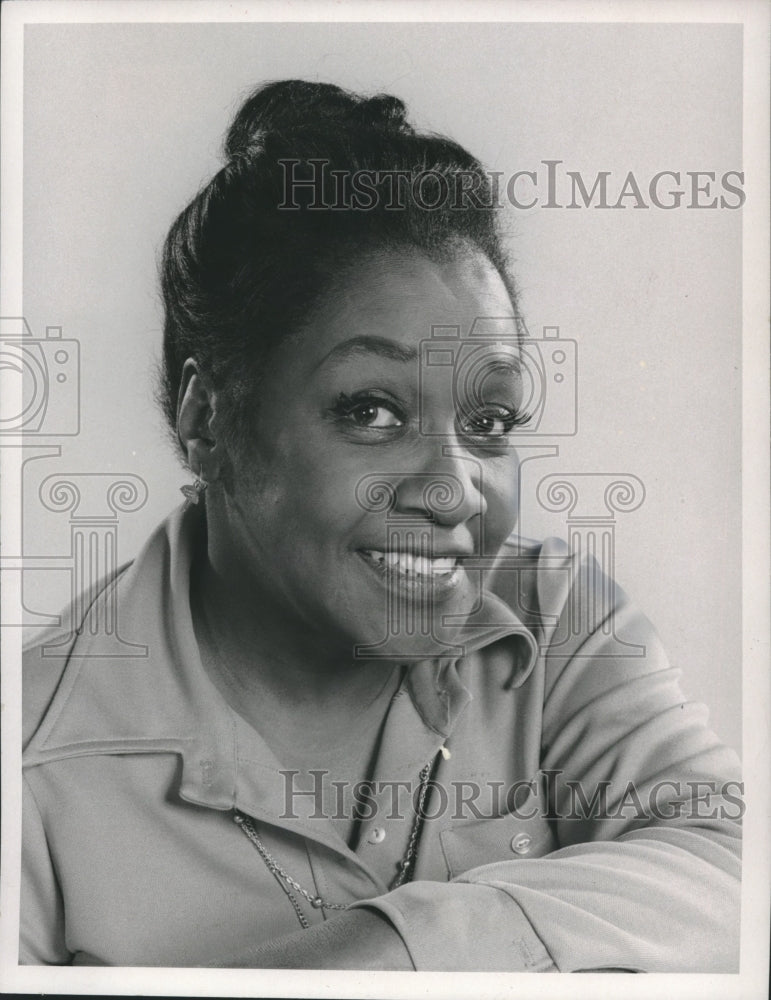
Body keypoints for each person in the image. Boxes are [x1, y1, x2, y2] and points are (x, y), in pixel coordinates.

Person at [21, 80, 741, 970]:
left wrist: (390, 949)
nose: (453, 493)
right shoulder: (35, 766)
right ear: (209, 419)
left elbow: (733, 866)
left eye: (489, 423)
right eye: (370, 411)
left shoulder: (558, 622)